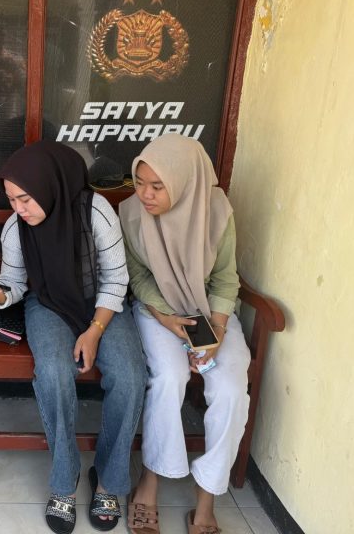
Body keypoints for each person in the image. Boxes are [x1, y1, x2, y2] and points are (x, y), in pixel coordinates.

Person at [0, 141, 146, 534]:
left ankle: (108, 480)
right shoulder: (15, 227)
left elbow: (116, 279)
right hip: (48, 303)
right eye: (12, 199)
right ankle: (65, 480)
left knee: (131, 376)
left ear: (49, 186)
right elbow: (15, 283)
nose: (19, 208)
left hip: (103, 303)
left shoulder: (95, 211)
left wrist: (94, 331)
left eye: (25, 198)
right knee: (52, 371)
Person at [118, 134, 250, 534]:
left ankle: (206, 499)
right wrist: (164, 316)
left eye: (157, 186)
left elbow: (225, 279)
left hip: (209, 312)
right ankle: (150, 482)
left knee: (231, 389)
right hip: (157, 309)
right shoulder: (132, 214)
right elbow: (138, 276)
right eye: (140, 182)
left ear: (184, 182)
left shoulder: (216, 211)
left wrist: (217, 331)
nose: (145, 194)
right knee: (169, 377)